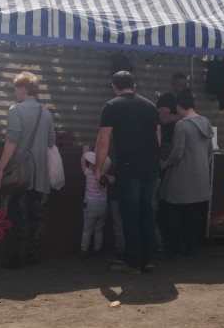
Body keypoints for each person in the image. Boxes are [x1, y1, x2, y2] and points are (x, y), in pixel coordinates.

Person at [95, 71, 161, 274]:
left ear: (114, 87)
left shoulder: (112, 106)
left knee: (130, 214)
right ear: (134, 86)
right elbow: (158, 138)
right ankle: (148, 259)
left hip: (128, 165)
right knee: (146, 211)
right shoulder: (150, 106)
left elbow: (103, 140)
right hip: (150, 166)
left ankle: (133, 261)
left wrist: (98, 168)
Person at [0, 72, 56, 269]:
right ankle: (34, 255)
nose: (15, 93)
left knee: (20, 216)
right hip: (41, 176)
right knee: (37, 215)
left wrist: (0, 169)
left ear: (22, 89)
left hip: (22, 174)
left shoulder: (15, 110)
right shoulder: (46, 112)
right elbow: (51, 141)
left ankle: (18, 257)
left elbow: (12, 141)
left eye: (15, 89)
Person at [159, 89, 213, 257]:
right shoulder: (205, 122)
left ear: (179, 107)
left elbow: (177, 152)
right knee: (194, 214)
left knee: (173, 212)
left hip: (182, 176)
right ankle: (192, 247)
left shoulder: (181, 125)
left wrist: (165, 164)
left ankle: (174, 249)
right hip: (200, 176)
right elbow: (210, 151)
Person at [80, 150, 111, 256]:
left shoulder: (89, 173)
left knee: (87, 229)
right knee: (99, 229)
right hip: (103, 205)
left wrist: (84, 155)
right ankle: (97, 250)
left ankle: (84, 250)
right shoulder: (106, 177)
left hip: (90, 205)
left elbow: (83, 165)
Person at [156, 73, 189, 158]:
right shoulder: (166, 99)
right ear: (173, 84)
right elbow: (164, 118)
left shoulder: (187, 100)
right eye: (181, 85)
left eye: (186, 85)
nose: (184, 87)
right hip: (168, 142)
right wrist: (182, 115)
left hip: (184, 141)